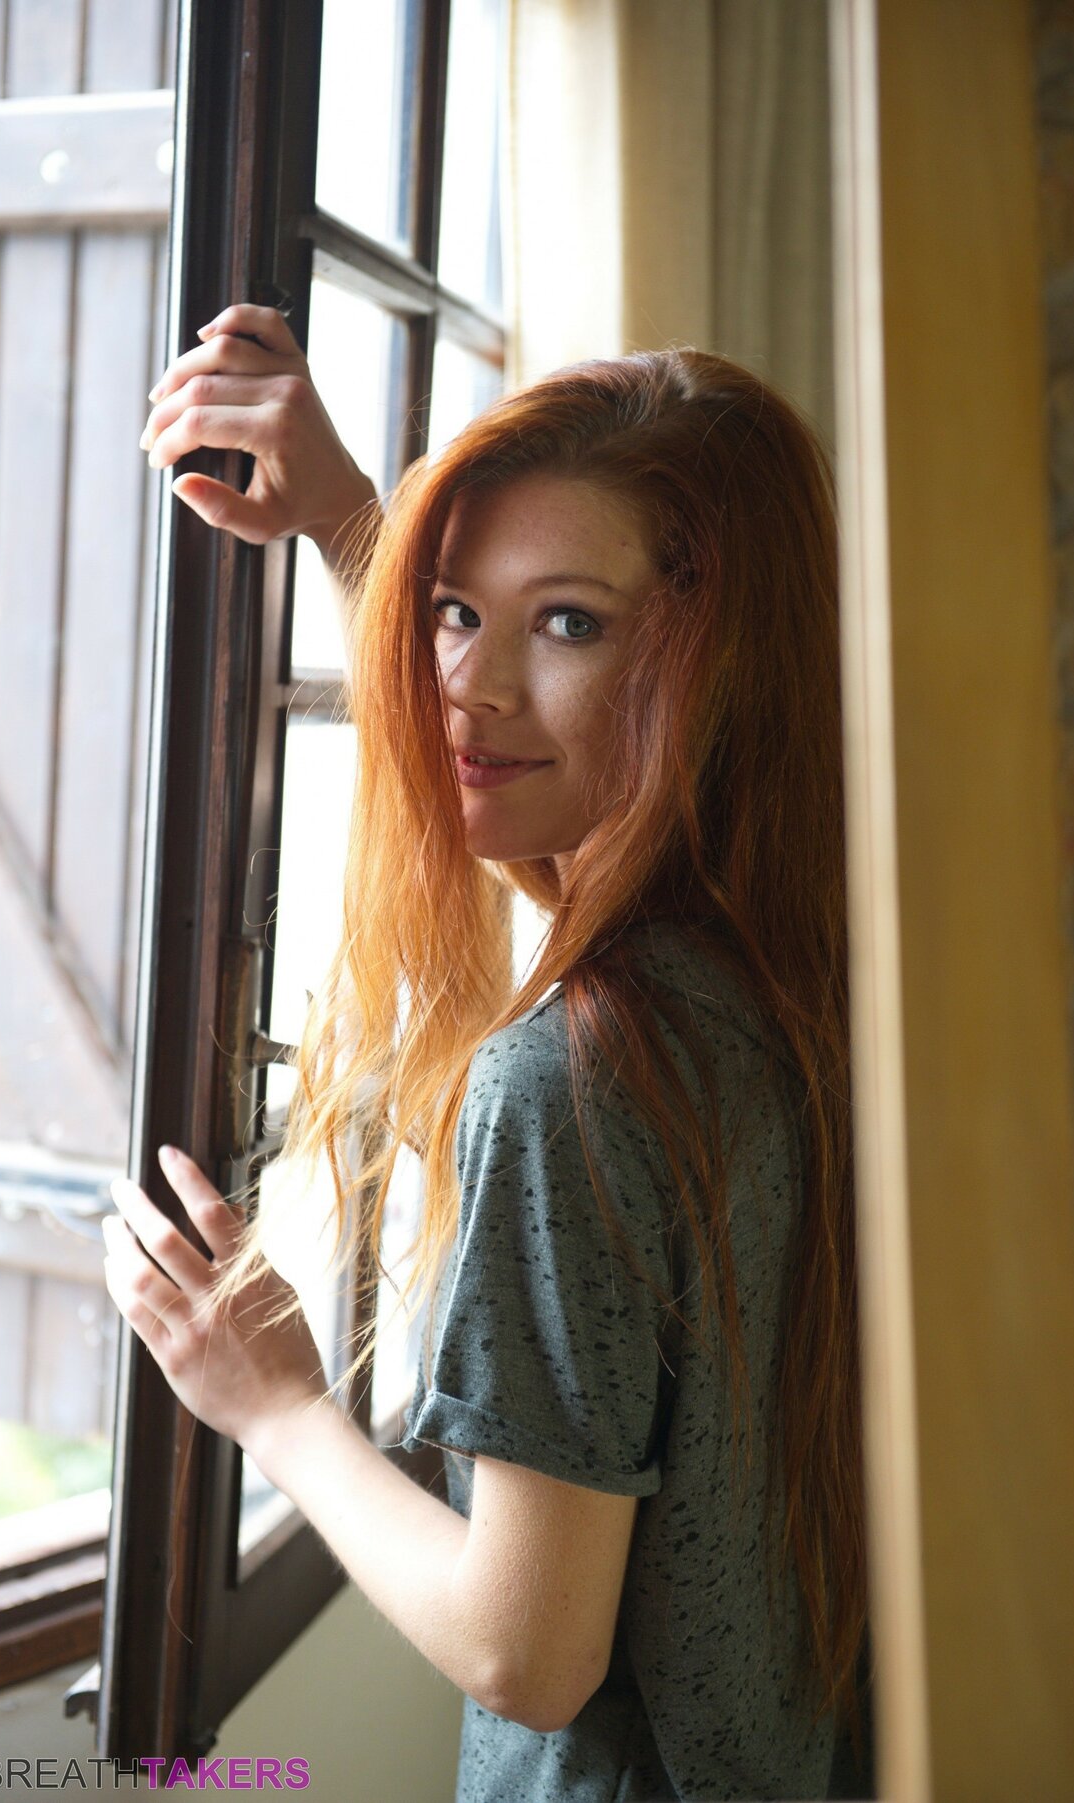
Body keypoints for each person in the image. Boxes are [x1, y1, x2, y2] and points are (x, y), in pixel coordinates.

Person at [104, 303, 875, 1801]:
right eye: (455, 610)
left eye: (569, 622)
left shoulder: (576, 1078)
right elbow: (534, 781)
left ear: (719, 666)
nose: (464, 682)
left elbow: (527, 1654)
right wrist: (349, 520)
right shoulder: (802, 960)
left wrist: (276, 1403)